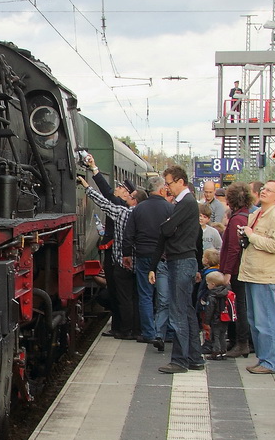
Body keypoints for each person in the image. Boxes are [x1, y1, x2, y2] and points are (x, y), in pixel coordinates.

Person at [148, 165, 204, 374]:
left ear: (181, 181)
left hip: (180, 261)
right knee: (187, 312)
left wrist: (168, 225)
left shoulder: (186, 203)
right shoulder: (185, 203)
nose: (168, 188)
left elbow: (166, 229)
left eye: (170, 183)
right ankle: (195, 357)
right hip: (184, 260)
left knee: (178, 312)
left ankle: (180, 360)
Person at [79, 154, 138, 339]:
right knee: (116, 292)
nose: (117, 189)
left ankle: (124, 327)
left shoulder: (120, 206)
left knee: (120, 294)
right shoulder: (122, 205)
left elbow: (105, 194)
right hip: (115, 254)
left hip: (118, 255)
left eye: (121, 188)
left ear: (127, 194)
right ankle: (119, 326)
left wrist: (91, 177)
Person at [238, 179, 275, 374]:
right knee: (254, 319)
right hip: (251, 272)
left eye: (269, 190)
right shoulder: (257, 214)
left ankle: (270, 362)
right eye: (263, 189)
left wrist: (251, 236)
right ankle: (263, 358)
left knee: (265, 319)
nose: (264, 192)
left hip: (265, 274)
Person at [128, 175, 173, 349]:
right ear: (162, 190)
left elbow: (129, 234)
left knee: (145, 295)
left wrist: (127, 254)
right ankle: (164, 332)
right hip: (163, 257)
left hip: (143, 256)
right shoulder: (170, 209)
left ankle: (148, 332)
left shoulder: (138, 209)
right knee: (164, 296)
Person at [219, 183, 254, 358]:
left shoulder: (237, 220)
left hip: (237, 270)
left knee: (239, 306)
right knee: (241, 305)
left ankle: (241, 342)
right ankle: (239, 341)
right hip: (243, 268)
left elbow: (233, 248)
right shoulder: (246, 216)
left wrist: (227, 271)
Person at [201, 271, 235, 360]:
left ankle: (216, 353)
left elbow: (209, 310)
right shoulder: (226, 292)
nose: (207, 286)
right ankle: (223, 352)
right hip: (225, 318)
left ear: (212, 284)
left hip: (215, 320)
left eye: (207, 284)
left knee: (215, 337)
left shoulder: (212, 295)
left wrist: (206, 321)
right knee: (222, 336)